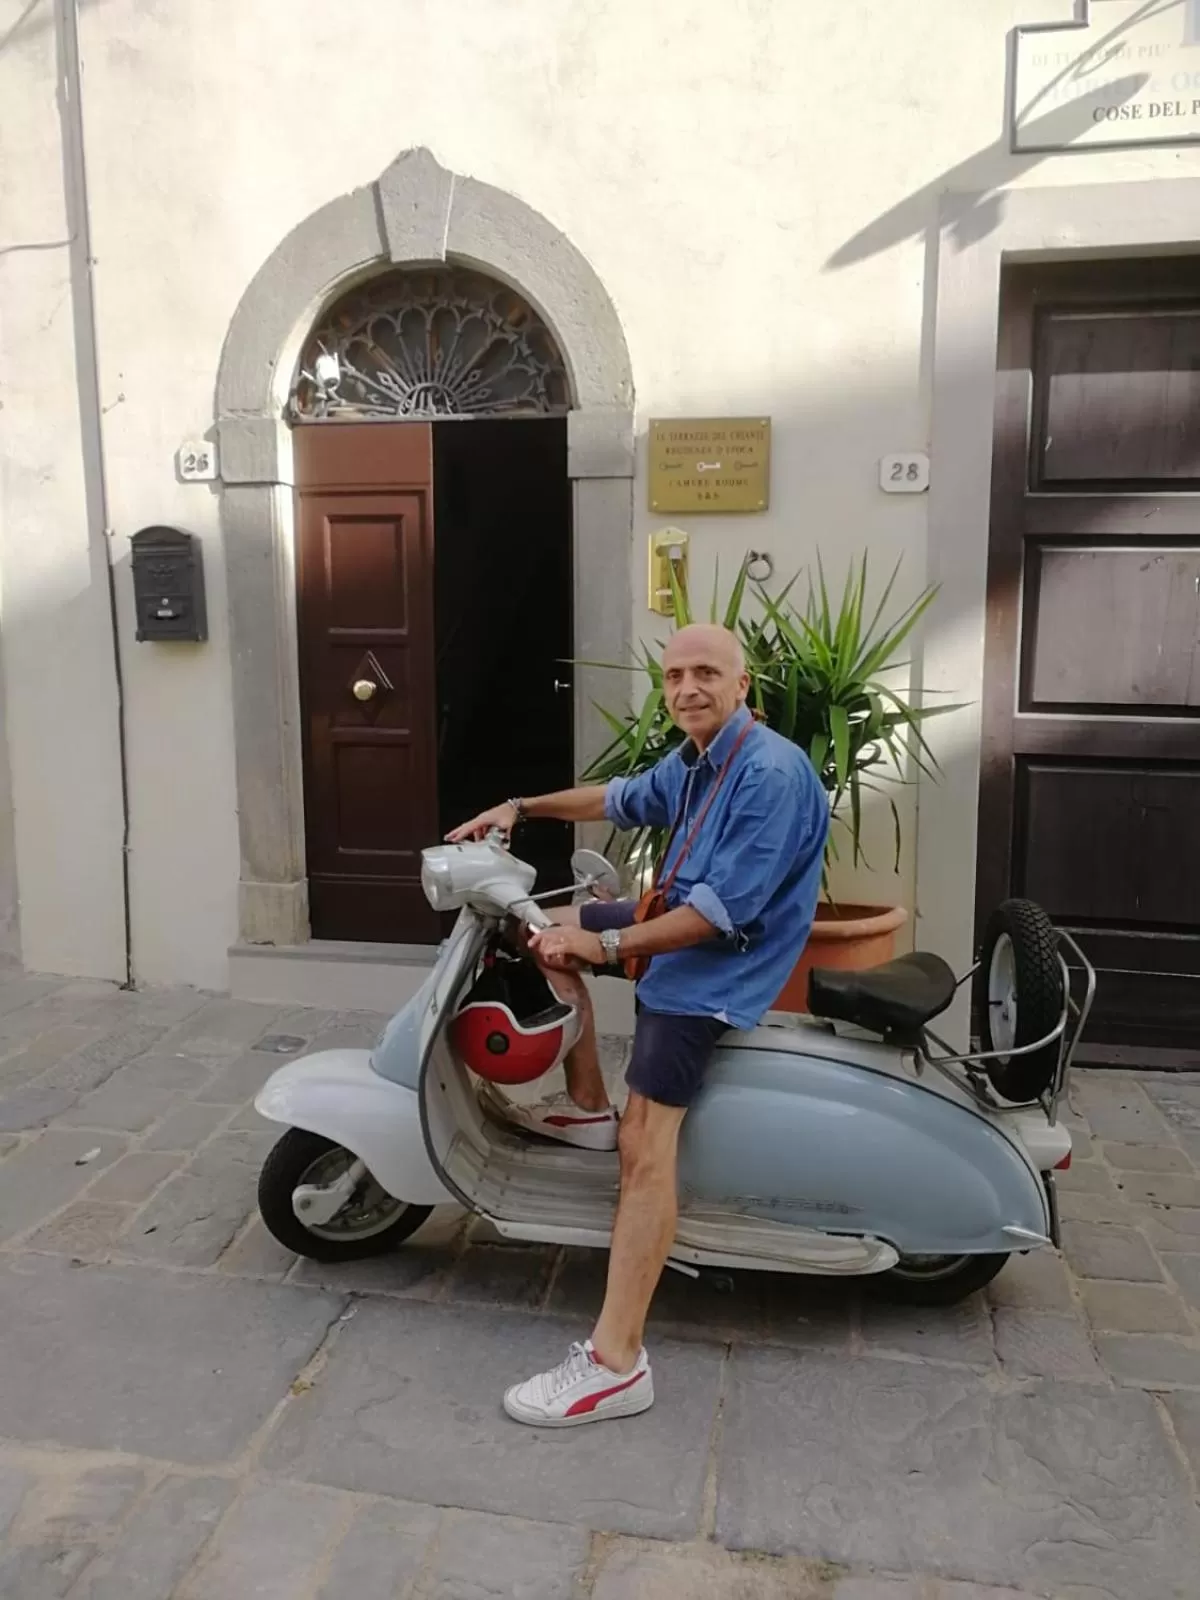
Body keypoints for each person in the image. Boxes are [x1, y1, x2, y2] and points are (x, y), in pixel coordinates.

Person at [448, 622, 829, 1426]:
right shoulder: (696, 762)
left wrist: (608, 941)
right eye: (675, 675)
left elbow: (718, 916)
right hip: (673, 924)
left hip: (715, 968)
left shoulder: (769, 773)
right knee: (540, 930)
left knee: (645, 1149)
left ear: (742, 684)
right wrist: (520, 808)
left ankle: (617, 1362)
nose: (688, 688)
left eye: (706, 674)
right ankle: (586, 1098)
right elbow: (616, 797)